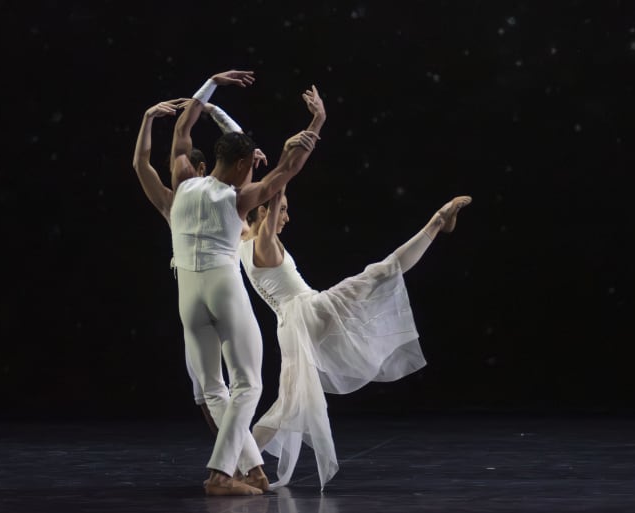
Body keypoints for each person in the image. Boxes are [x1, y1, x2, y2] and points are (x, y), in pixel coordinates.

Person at [239, 185, 472, 490]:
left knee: (288, 405)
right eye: (281, 209)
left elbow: (239, 204)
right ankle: (436, 222)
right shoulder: (264, 242)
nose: (287, 217)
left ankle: (238, 464)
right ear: (264, 212)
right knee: (380, 273)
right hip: (309, 313)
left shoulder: (242, 237)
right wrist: (283, 172)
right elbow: (275, 187)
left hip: (291, 327)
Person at [170, 74, 326, 495]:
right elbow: (288, 170)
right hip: (222, 287)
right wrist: (316, 123)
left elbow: (182, 130)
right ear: (242, 165)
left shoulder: (182, 181)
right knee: (249, 384)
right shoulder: (238, 199)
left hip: (187, 294)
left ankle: (251, 468)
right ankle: (220, 475)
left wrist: (209, 85)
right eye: (249, 166)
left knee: (214, 389)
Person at [131, 89, 268, 437]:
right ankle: (233, 453)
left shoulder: (223, 195)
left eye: (184, 167)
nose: (178, 171)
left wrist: (208, 107)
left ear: (205, 168)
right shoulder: (175, 201)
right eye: (175, 168)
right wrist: (206, 109)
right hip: (208, 288)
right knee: (208, 388)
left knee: (232, 383)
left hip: (218, 285)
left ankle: (236, 453)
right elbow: (142, 164)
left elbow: (239, 149)